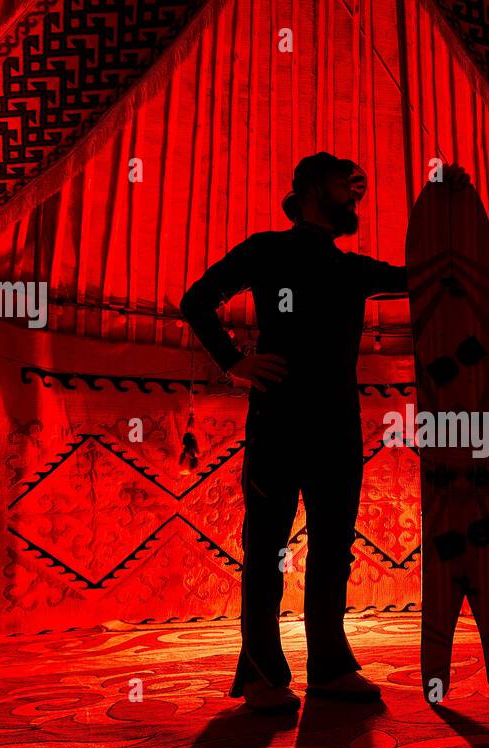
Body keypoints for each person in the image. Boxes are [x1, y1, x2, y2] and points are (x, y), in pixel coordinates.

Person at [179, 152, 407, 714]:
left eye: (358, 190)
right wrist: (233, 361)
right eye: (343, 184)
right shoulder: (266, 250)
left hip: (338, 424)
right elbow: (196, 302)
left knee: (333, 549)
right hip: (278, 420)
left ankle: (329, 668)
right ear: (306, 190)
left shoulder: (352, 270)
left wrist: (453, 223)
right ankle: (260, 675)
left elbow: (422, 277)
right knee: (267, 548)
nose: (355, 195)